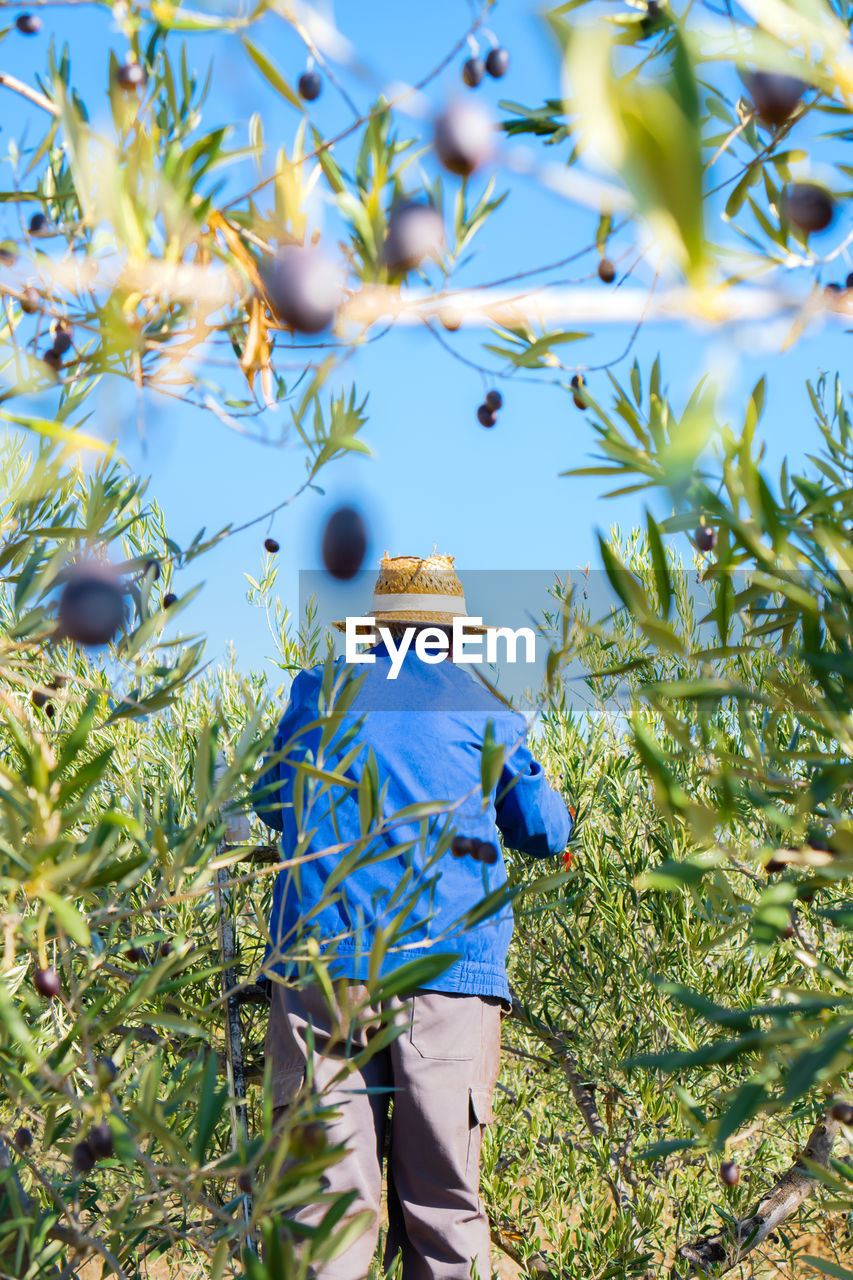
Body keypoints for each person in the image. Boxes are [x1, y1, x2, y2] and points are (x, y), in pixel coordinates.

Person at [253, 553, 572, 1280]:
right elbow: (545, 828)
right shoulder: (480, 703)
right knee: (444, 1214)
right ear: (453, 637)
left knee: (321, 1219)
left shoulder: (319, 692)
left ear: (373, 632)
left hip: (321, 972)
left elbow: (272, 804)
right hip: (446, 977)